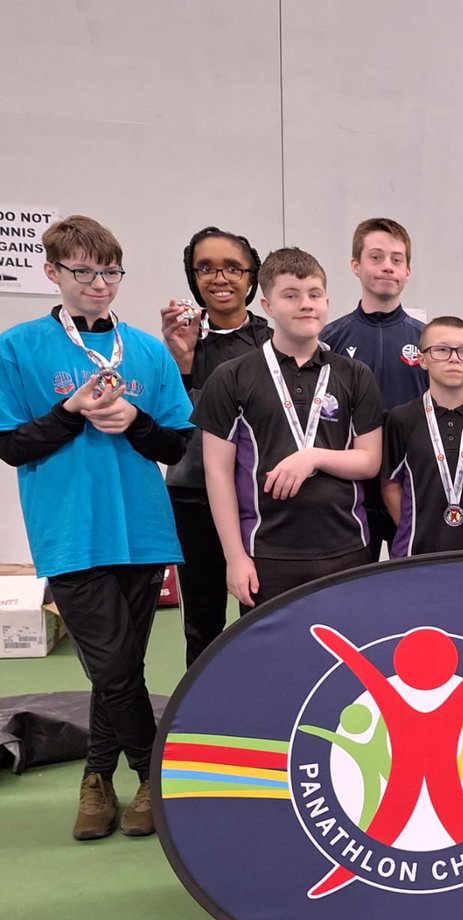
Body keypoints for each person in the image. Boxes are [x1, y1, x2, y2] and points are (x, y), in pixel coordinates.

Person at [0, 215, 192, 840]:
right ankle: (155, 781)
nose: (99, 283)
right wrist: (68, 412)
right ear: (52, 272)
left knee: (122, 667)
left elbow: (176, 443)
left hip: (142, 530)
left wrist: (134, 419)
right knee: (112, 669)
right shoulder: (19, 346)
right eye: (83, 271)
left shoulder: (145, 350)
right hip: (70, 532)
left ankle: (98, 778)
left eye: (110, 271)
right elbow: (10, 444)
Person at [194, 247, 383, 610]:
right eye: (291, 295)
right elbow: (217, 473)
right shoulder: (232, 377)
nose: (306, 304)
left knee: (340, 661)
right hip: (267, 553)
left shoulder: (355, 375)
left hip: (346, 549)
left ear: (327, 301)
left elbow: (370, 460)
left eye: (314, 295)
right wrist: (235, 557)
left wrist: (312, 457)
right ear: (267, 306)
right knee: (277, 665)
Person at [159, 226, 272, 667]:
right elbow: (173, 425)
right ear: (192, 277)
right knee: (202, 621)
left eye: (232, 267)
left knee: (259, 613)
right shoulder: (178, 342)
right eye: (205, 268)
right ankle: (201, 722)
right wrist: (183, 363)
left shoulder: (270, 343)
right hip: (193, 495)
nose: (219, 277)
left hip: (257, 501)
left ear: (251, 277)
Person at [321, 218, 426, 559]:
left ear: (408, 270)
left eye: (397, 260)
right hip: (350, 492)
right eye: (376, 257)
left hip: (409, 487)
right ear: (356, 265)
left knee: (412, 592)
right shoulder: (329, 341)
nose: (387, 267)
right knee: (351, 591)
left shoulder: (429, 342)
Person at [381, 316, 463, 556]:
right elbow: (390, 484)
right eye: (442, 350)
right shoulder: (401, 419)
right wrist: (411, 525)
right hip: (415, 553)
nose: (454, 358)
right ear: (422, 360)